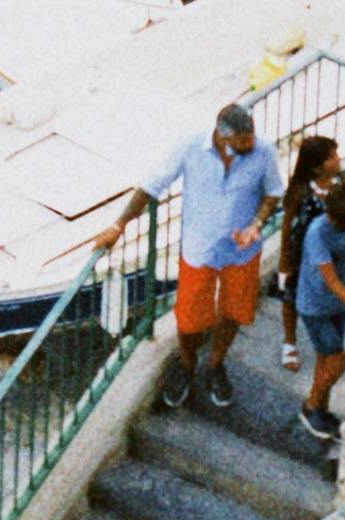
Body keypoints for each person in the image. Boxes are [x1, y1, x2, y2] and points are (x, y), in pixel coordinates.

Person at [95, 101, 284, 411]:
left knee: (234, 311)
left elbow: (273, 192)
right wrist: (119, 225)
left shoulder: (264, 151)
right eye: (242, 142)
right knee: (190, 319)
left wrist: (256, 224)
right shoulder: (190, 146)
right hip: (200, 248)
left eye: (251, 139)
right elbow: (151, 186)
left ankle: (216, 364)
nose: (250, 146)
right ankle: (186, 364)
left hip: (242, 250)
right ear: (222, 137)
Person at [295, 176, 345, 446]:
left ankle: (320, 411)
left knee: (326, 359)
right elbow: (331, 279)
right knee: (337, 361)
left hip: (339, 304)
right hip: (315, 305)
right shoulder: (317, 233)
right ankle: (311, 406)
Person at [276, 133, 341, 371]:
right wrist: (285, 260)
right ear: (316, 167)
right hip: (300, 255)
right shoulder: (300, 191)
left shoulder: (340, 187)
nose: (337, 159)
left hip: (327, 255)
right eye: (331, 157)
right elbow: (287, 225)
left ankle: (324, 341)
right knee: (290, 298)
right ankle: (289, 341)